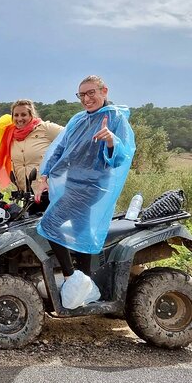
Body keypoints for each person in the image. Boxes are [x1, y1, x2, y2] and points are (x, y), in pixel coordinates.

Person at [36, 75, 135, 309]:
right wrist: (45, 175)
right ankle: (86, 289)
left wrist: (111, 141)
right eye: (81, 95)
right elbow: (59, 148)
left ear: (104, 91)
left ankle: (72, 279)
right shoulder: (78, 119)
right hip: (72, 184)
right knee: (81, 233)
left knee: (50, 225)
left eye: (91, 93)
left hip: (92, 187)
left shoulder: (116, 118)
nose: (86, 99)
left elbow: (123, 156)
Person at [0, 96, 63, 206]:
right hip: (27, 195)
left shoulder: (45, 128)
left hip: (50, 191)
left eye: (24, 114)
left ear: (31, 115)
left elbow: (72, 135)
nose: (19, 119)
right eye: (16, 115)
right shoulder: (8, 132)